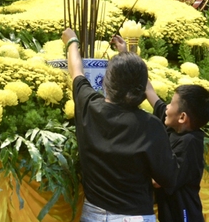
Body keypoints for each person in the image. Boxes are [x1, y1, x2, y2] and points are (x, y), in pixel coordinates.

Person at [62, 28, 179, 222]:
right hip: (136, 215)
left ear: (105, 83)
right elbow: (168, 179)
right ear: (142, 89)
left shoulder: (90, 107)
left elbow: (77, 73)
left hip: (94, 215)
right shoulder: (151, 126)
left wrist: (72, 41)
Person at [145, 80, 209, 222]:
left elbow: (159, 181)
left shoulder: (190, 143)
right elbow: (151, 93)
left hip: (184, 215)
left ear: (182, 117)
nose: (167, 107)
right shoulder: (174, 125)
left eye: (171, 103)